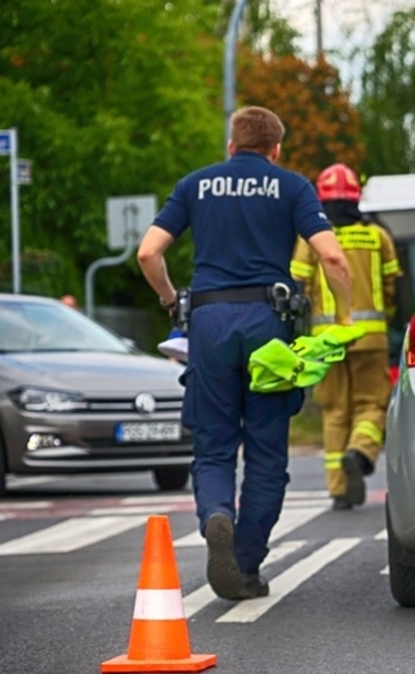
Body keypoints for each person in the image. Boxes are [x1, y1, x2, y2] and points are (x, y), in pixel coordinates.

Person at [136, 106, 353, 601]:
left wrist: (172, 301)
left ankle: (216, 515)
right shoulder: (292, 186)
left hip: (208, 323)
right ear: (276, 149)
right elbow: (332, 257)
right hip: (268, 327)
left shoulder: (196, 184)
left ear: (231, 146)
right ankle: (246, 564)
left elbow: (149, 252)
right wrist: (344, 315)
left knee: (212, 446)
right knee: (266, 454)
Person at [291, 163, 401, 510]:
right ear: (357, 198)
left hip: (327, 341)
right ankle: (360, 451)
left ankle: (338, 488)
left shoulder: (311, 238)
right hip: (371, 338)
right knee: (372, 405)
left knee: (334, 411)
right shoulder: (377, 237)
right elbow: (393, 286)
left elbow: (298, 288)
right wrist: (386, 319)